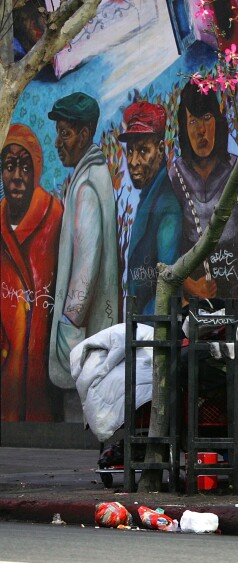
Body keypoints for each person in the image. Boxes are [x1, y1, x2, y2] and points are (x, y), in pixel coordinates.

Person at [47, 92, 120, 396]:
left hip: (82, 343)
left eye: (65, 133)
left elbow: (85, 270)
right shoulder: (95, 174)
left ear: (85, 134)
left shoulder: (87, 184)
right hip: (93, 338)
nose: (57, 142)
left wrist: (68, 334)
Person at [1, 124, 63, 422]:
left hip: (42, 356)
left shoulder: (54, 216)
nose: (16, 176)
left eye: (24, 167)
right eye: (10, 166)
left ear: (36, 170)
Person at [170, 83, 238, 302]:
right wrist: (192, 288)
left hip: (237, 291)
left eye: (206, 117)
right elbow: (166, 254)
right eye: (192, 121)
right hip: (194, 301)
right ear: (184, 128)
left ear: (217, 120)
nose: (200, 130)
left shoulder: (237, 170)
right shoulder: (176, 176)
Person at [119, 101, 182, 315]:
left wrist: (142, 329)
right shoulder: (149, 197)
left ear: (161, 149)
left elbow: (168, 286)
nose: (133, 161)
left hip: (150, 335)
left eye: (143, 151)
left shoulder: (166, 206)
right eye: (130, 151)